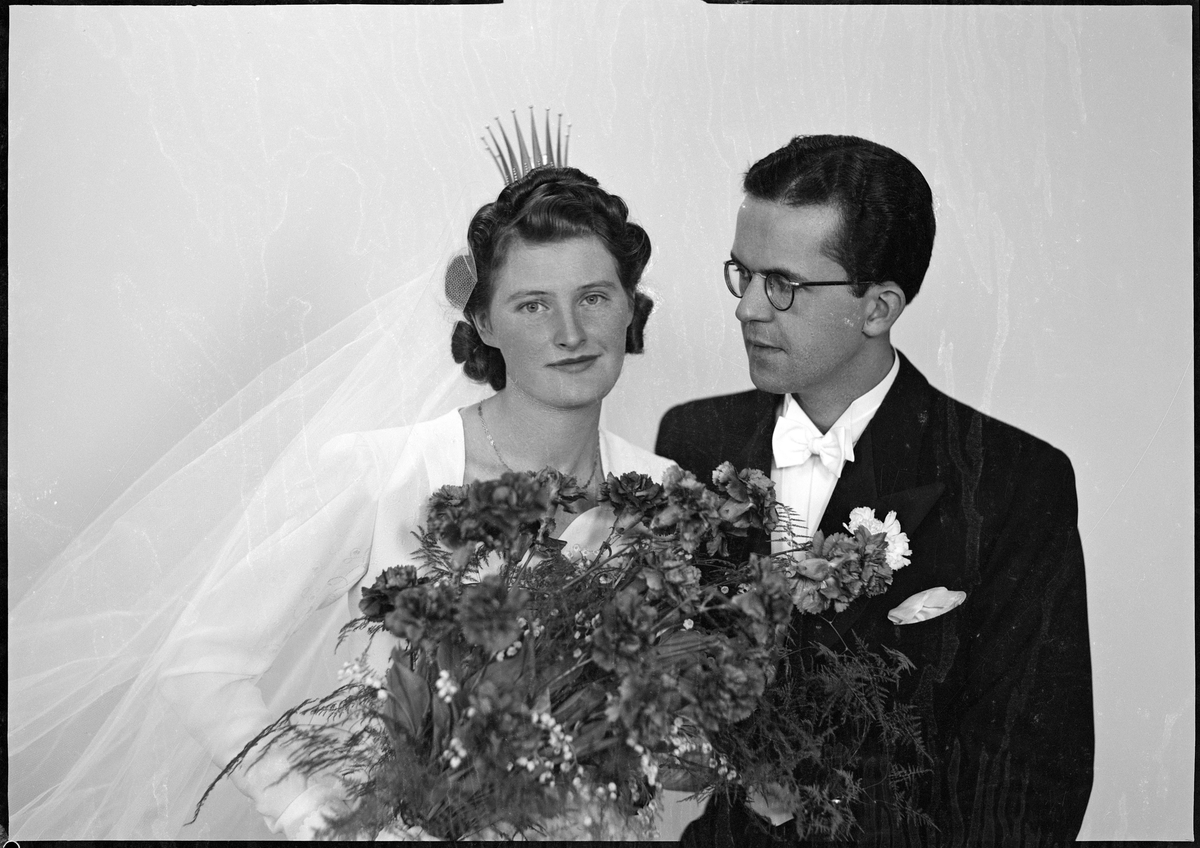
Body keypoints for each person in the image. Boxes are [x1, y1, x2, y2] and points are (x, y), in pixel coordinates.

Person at [9, 130, 699, 838]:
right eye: (533, 305)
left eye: (594, 297)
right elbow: (200, 660)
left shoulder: (666, 495)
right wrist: (305, 810)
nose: (570, 332)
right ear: (484, 322)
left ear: (630, 306)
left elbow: (679, 728)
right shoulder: (385, 475)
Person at [656, 135, 1094, 846]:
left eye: (783, 284)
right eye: (744, 274)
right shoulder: (694, 440)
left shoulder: (1013, 480)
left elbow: (1030, 781)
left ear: (879, 307)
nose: (748, 309)